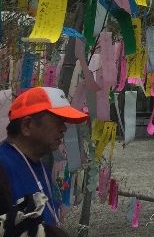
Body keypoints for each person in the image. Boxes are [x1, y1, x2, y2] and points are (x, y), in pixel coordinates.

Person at [0, 86, 89, 235]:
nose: (64, 129)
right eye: (58, 121)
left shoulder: (39, 164)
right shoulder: (3, 167)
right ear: (27, 126)